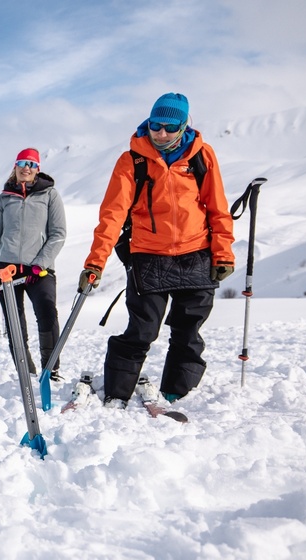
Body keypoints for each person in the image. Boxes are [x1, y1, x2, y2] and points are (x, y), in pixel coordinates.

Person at [78, 93, 235, 408]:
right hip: (148, 256)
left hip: (196, 254)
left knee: (188, 331)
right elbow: (111, 217)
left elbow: (217, 207)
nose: (161, 133)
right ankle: (117, 394)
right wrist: (95, 264)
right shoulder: (132, 161)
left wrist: (223, 252)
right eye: (155, 125)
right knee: (142, 330)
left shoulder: (202, 157)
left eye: (169, 127)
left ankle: (177, 395)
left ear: (183, 126)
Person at [0, 147, 67, 381]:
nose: (26, 168)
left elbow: (58, 234)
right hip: (5, 271)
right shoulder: (3, 199)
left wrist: (40, 264)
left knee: (48, 314)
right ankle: (26, 373)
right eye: (22, 163)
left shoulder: (50, 195)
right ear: (15, 167)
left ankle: (51, 371)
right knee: (15, 324)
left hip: (39, 271)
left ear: (38, 169)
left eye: (31, 164)